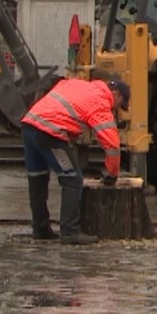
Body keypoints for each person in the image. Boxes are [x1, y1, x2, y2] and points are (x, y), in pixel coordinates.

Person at [21, 78, 130, 245]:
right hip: (49, 132)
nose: (116, 109)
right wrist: (112, 174)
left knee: (38, 178)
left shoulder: (79, 84)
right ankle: (70, 231)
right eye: (119, 104)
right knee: (72, 179)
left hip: (30, 125)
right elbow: (112, 144)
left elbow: (62, 104)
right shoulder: (100, 102)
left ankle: (40, 228)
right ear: (116, 93)